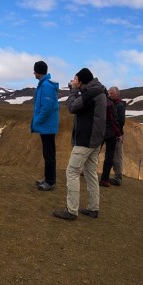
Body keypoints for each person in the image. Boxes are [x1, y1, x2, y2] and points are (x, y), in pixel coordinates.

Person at [54, 68, 106, 220]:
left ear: (82, 81)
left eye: (76, 80)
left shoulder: (91, 93)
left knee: (72, 172)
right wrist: (77, 90)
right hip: (95, 139)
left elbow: (72, 107)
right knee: (90, 173)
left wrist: (73, 91)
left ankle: (71, 211)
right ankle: (93, 208)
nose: (74, 82)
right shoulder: (99, 90)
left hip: (86, 140)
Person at [31, 61, 60, 191]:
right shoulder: (44, 85)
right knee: (47, 154)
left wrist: (37, 120)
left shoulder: (46, 86)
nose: (33, 73)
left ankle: (50, 182)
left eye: (35, 70)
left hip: (47, 126)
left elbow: (46, 108)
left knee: (49, 154)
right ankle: (48, 178)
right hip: (47, 126)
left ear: (38, 71)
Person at [106, 86, 127, 186]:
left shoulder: (120, 106)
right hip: (109, 133)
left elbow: (121, 121)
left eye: (111, 94)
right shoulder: (111, 104)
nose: (109, 95)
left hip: (117, 134)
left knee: (117, 157)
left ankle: (118, 178)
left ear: (117, 94)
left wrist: (117, 133)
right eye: (109, 93)